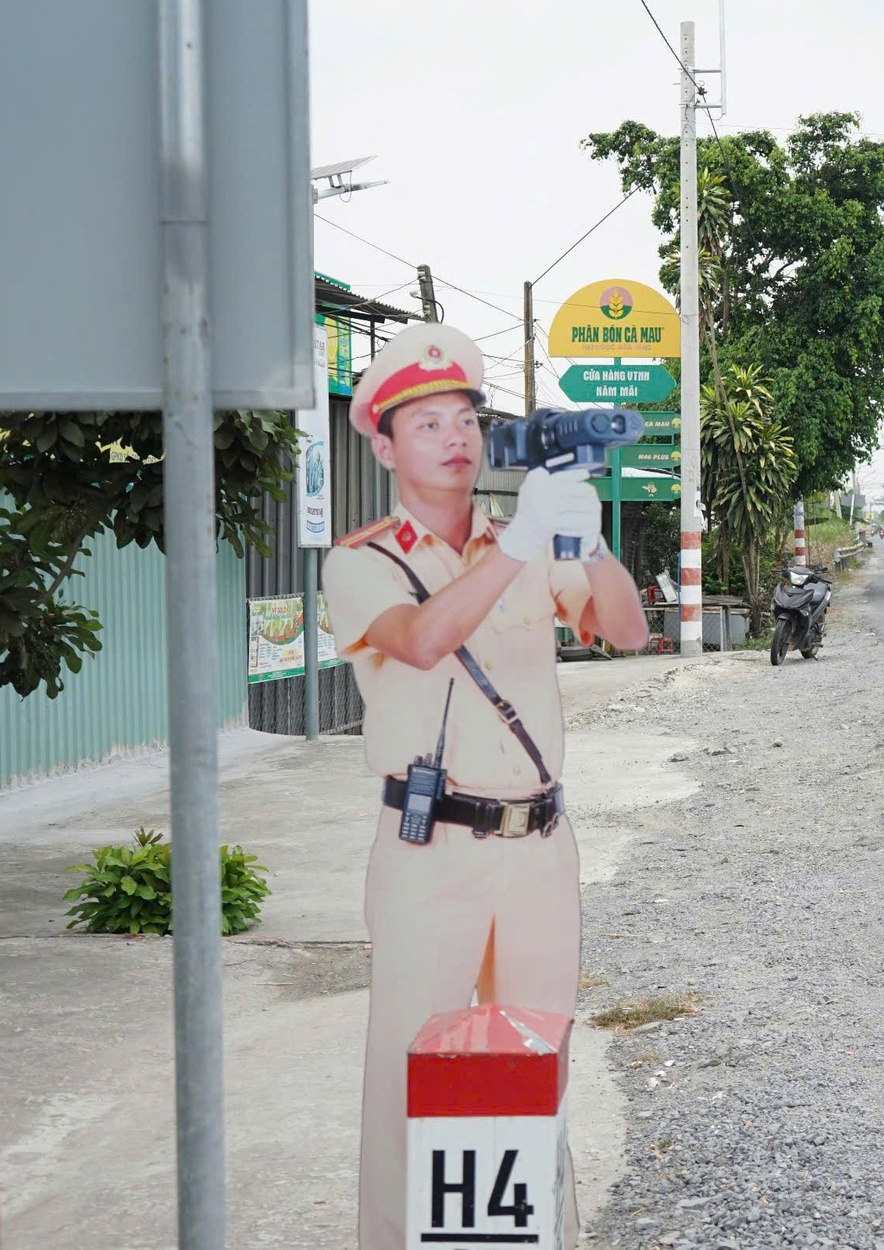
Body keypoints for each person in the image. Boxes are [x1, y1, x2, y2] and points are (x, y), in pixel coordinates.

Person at [323, 323, 649, 1250]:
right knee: (410, 1070)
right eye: (427, 424)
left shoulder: (531, 539)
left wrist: (586, 542)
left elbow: (625, 632)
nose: (455, 439)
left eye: (465, 419)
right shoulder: (364, 559)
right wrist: (521, 547)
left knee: (541, 1061)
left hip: (540, 849)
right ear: (384, 446)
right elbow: (423, 641)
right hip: (433, 852)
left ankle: (546, 1236)